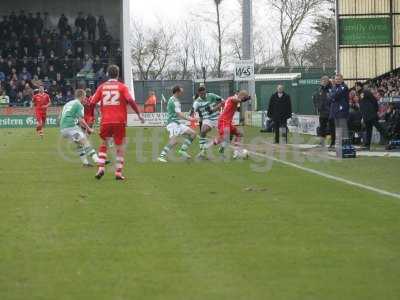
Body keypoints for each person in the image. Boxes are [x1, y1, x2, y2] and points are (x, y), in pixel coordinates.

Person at [90, 65, 145, 180]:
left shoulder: (101, 87)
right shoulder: (122, 87)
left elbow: (92, 102)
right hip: (119, 120)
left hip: (105, 121)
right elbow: (130, 100)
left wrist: (91, 116)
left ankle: (101, 168)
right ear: (118, 74)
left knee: (104, 144)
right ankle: (118, 173)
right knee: (120, 147)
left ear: (107, 74)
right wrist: (138, 114)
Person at [60, 89, 99, 167]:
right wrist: (89, 129)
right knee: (85, 142)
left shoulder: (68, 103)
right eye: (84, 97)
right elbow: (81, 120)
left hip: (63, 129)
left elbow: (61, 115)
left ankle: (85, 163)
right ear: (82, 96)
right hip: (71, 127)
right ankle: (97, 160)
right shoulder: (79, 105)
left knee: (79, 144)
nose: (85, 99)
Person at [158, 86, 197, 163]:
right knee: (174, 141)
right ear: (177, 92)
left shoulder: (173, 99)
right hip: (172, 123)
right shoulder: (174, 101)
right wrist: (190, 119)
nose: (182, 93)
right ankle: (161, 156)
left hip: (177, 123)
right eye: (181, 91)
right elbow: (179, 114)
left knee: (193, 134)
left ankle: (182, 150)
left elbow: (178, 114)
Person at [214, 90, 251, 157]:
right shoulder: (233, 98)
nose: (244, 98)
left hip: (228, 122)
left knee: (239, 134)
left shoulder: (231, 99)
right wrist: (246, 99)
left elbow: (223, 104)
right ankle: (213, 142)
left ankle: (236, 152)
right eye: (244, 97)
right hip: (223, 121)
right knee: (225, 137)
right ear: (241, 95)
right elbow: (237, 100)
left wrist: (214, 109)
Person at [192, 86, 223, 158]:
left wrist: (216, 107)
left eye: (203, 93)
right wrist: (191, 117)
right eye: (201, 94)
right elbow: (192, 110)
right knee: (203, 131)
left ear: (205, 92)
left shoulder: (211, 95)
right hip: (207, 119)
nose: (202, 95)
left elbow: (222, 101)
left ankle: (219, 149)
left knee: (224, 135)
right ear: (198, 94)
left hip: (218, 118)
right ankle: (202, 151)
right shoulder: (197, 102)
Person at [355, 82, 387, 150]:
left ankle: (388, 140)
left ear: (361, 86)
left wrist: (375, 111)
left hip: (371, 114)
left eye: (358, 86)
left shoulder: (365, 92)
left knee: (379, 128)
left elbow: (374, 100)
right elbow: (363, 106)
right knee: (369, 130)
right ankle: (367, 145)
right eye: (356, 86)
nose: (356, 87)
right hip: (366, 115)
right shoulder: (360, 94)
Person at [313, 76, 335, 147]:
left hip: (330, 112)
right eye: (322, 81)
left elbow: (333, 100)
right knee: (322, 128)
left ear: (328, 81)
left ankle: (333, 143)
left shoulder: (332, 89)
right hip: (322, 112)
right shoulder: (319, 89)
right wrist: (318, 107)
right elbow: (315, 99)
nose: (323, 82)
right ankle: (322, 143)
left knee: (332, 128)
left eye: (325, 80)